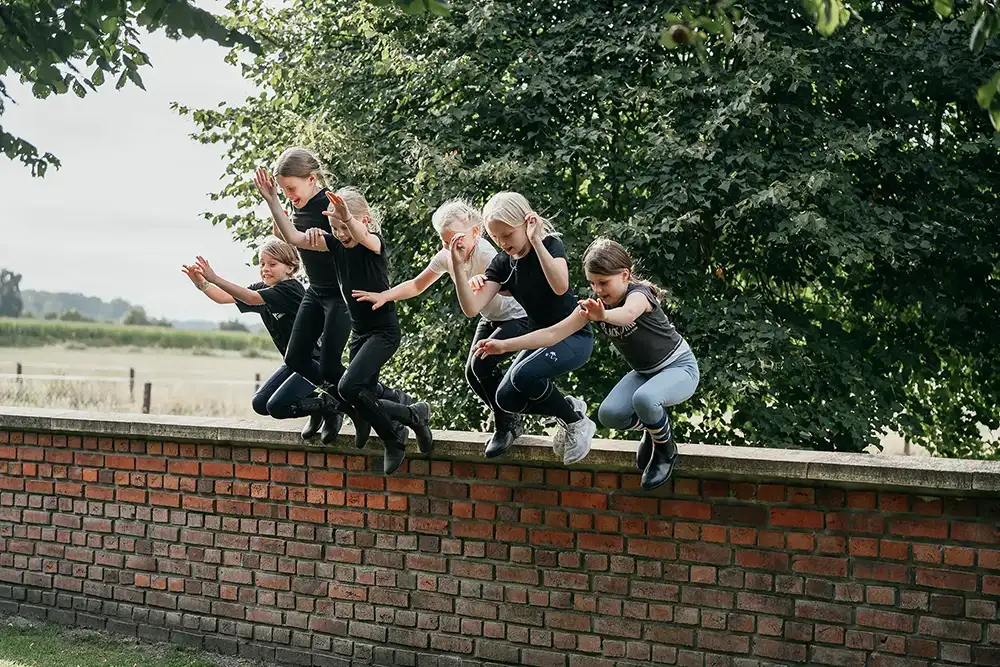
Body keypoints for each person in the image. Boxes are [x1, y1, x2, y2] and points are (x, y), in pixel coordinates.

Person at [474, 238, 699, 490]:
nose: (598, 290)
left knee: (644, 400)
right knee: (610, 415)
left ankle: (665, 450)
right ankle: (654, 427)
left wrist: (602, 315)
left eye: (604, 282)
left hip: (679, 367)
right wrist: (505, 345)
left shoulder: (639, 294)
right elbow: (552, 334)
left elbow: (626, 315)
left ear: (624, 275)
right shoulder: (594, 305)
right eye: (592, 283)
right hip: (645, 373)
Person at [264, 180, 432, 475]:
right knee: (361, 397)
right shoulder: (333, 244)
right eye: (336, 229)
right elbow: (291, 236)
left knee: (347, 386)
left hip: (383, 332)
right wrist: (272, 200)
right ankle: (413, 414)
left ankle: (394, 441)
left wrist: (347, 217)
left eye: (344, 228)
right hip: (360, 333)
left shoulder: (373, 244)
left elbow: (359, 232)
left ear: (362, 222)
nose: (340, 235)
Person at [352, 200, 531, 457]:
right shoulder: (448, 256)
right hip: (490, 317)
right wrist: (385, 296)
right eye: (445, 242)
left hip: (517, 317)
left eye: (457, 240)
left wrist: (487, 281)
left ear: (475, 233)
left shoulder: (485, 254)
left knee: (481, 365)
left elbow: (513, 286)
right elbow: (417, 285)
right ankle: (509, 418)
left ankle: (507, 424)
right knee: (472, 374)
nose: (451, 247)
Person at [451, 192, 596, 465]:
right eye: (495, 238)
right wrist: (459, 268)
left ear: (526, 223)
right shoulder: (503, 264)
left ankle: (576, 423)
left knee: (523, 377)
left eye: (507, 235)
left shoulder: (551, 244)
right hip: (539, 338)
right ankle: (568, 408)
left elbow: (560, 286)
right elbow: (472, 308)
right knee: (506, 398)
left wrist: (537, 241)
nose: (502, 243)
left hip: (572, 336)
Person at [180, 237, 337, 438]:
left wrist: (215, 277)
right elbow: (222, 298)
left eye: (273, 264)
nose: (265, 269)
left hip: (313, 361)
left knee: (278, 406)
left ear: (290, 267)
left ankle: (328, 406)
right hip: (294, 362)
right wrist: (201, 283)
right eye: (262, 264)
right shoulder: (263, 289)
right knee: (260, 404)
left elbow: (251, 298)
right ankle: (317, 408)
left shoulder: (290, 289)